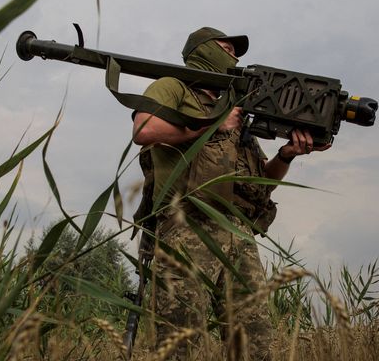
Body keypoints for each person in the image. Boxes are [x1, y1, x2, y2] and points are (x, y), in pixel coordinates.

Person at [132, 27, 329, 360]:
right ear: (203, 52)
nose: (235, 57)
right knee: (181, 345)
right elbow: (143, 129)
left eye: (236, 52)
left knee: (255, 345)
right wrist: (211, 125)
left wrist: (286, 156)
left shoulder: (238, 110)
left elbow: (261, 180)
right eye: (226, 48)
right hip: (186, 228)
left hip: (238, 235)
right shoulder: (174, 87)